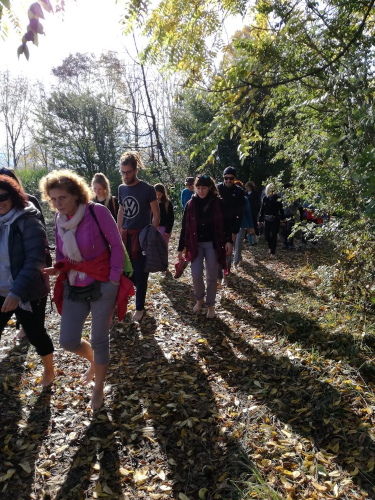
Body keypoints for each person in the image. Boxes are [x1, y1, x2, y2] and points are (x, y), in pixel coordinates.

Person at [39, 169, 125, 410]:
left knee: (99, 339)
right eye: (53, 199)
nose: (58, 204)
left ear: (76, 194)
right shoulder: (59, 220)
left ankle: (98, 388)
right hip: (73, 285)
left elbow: (117, 246)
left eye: (62, 198)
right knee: (67, 340)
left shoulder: (97, 212)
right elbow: (62, 253)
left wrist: (114, 278)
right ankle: (93, 361)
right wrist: (58, 269)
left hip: (102, 282)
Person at [0, 175, 55, 387]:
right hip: (2, 289)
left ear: (14, 195)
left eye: (4, 196)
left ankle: (49, 370)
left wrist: (16, 293)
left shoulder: (28, 220)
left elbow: (36, 261)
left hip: (28, 291)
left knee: (36, 334)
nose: (0, 201)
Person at [177, 174, 232, 319]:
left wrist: (228, 241)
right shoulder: (190, 204)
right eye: (199, 188)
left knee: (212, 275)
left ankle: (211, 305)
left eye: (204, 188)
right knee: (196, 274)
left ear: (210, 188)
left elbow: (226, 223)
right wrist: (180, 247)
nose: (201, 191)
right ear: (195, 188)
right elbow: (185, 227)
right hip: (195, 244)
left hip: (213, 243)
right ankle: (199, 299)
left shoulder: (218, 203)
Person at [117, 151, 160, 322]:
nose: (125, 176)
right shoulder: (121, 188)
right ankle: (126, 300)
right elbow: (121, 210)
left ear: (135, 170)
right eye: (123, 172)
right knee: (126, 272)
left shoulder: (147, 189)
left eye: (128, 172)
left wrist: (151, 234)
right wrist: (119, 229)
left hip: (141, 238)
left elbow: (156, 214)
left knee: (141, 274)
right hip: (125, 236)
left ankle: (140, 307)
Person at [217, 167, 245, 285]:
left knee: (228, 252)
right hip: (217, 225)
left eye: (231, 178)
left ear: (234, 179)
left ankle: (225, 275)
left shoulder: (239, 191)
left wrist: (234, 231)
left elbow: (240, 213)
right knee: (217, 251)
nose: (228, 180)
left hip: (231, 226)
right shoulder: (217, 189)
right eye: (226, 178)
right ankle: (218, 276)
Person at [258, 183, 285, 258]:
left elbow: (281, 210)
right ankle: (270, 247)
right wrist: (260, 220)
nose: (271, 191)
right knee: (266, 235)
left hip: (275, 219)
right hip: (266, 219)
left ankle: (273, 252)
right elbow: (262, 210)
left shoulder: (278, 198)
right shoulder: (265, 198)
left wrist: (282, 220)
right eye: (270, 190)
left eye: (273, 190)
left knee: (274, 235)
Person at [233, 181, 254, 268]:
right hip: (232, 226)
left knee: (238, 244)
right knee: (234, 244)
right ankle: (239, 258)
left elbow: (248, 213)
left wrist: (251, 226)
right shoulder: (230, 198)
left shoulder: (244, 199)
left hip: (242, 226)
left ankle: (235, 262)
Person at [154, 183, 174, 249]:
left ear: (163, 193)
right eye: (156, 194)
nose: (157, 196)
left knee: (164, 247)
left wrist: (168, 230)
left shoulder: (167, 203)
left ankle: (164, 259)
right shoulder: (152, 203)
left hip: (165, 228)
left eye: (159, 194)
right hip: (154, 228)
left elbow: (171, 218)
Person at [244, 181, 261, 245]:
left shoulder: (255, 193)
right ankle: (247, 237)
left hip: (253, 211)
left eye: (249, 186)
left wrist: (256, 210)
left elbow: (258, 203)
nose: (248, 188)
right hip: (246, 211)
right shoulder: (245, 194)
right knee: (246, 224)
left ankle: (256, 236)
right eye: (247, 186)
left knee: (254, 223)